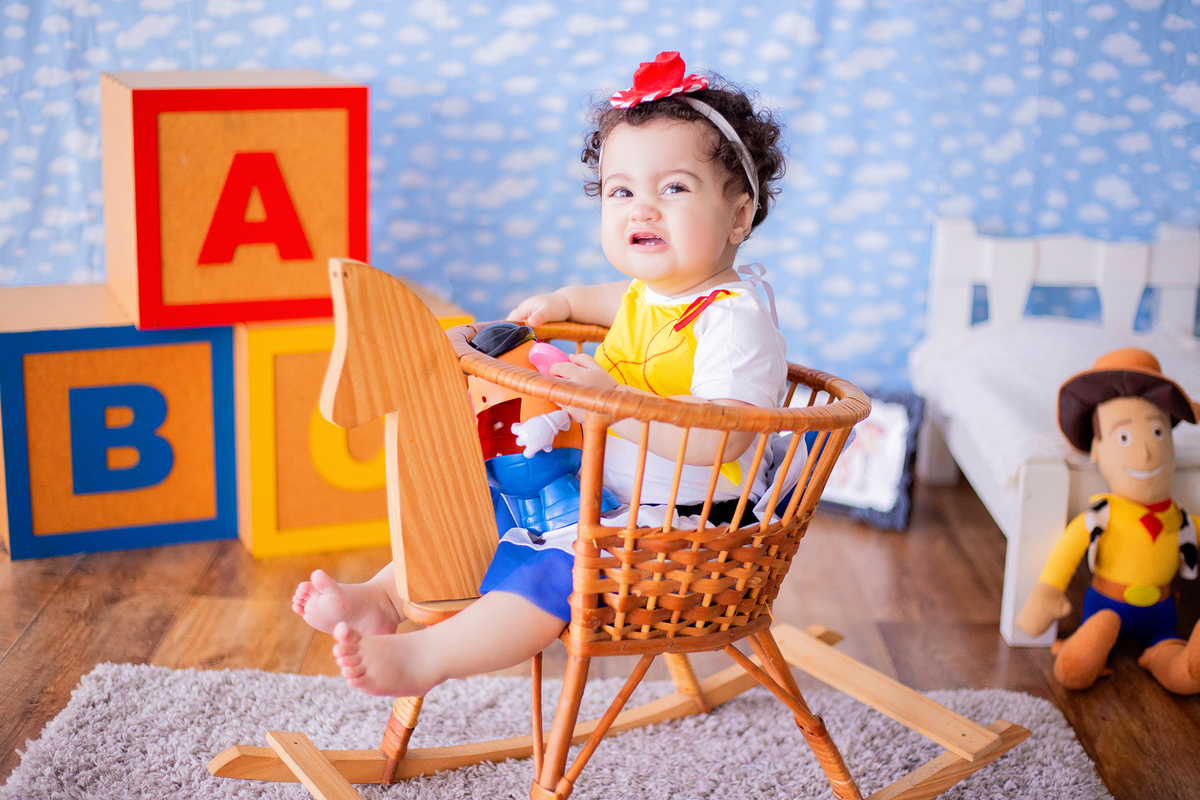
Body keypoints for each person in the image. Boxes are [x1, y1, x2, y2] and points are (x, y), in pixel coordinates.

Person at [293, 51, 788, 698]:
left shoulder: (734, 321)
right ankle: (384, 598)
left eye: (673, 188)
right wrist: (558, 302)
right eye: (621, 191)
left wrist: (614, 402)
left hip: (684, 529)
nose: (642, 209)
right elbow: (600, 299)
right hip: (609, 494)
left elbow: (726, 438)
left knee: (555, 567)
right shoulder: (652, 295)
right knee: (486, 505)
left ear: (739, 216)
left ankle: (428, 658)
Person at [1015, 348, 1199, 692]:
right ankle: (1086, 649)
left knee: (1171, 653)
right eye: (1124, 437)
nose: (1145, 452)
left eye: (1158, 433)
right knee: (1101, 627)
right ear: (1097, 449)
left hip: (1162, 614)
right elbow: (1068, 551)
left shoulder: (1181, 518)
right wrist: (1046, 594)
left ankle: (1181, 665)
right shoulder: (1102, 515)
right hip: (1107, 607)